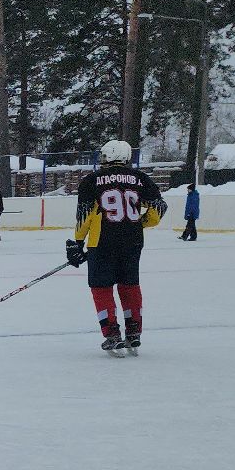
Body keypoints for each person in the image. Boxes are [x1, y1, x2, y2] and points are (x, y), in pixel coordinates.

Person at [67, 139, 164, 355]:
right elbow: (158, 209)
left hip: (102, 242)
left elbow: (85, 215)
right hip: (133, 241)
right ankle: (134, 331)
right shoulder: (141, 179)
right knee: (129, 285)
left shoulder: (92, 180)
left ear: (106, 157)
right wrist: (140, 223)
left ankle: (112, 333)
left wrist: (77, 241)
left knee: (101, 287)